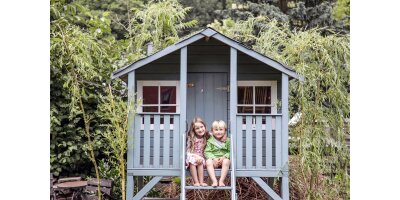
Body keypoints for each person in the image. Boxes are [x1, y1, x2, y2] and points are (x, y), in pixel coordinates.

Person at [205, 120, 231, 187]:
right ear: (212, 131)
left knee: (226, 161)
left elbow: (230, 151)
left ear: (225, 130)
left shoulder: (228, 141)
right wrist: (213, 158)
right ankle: (214, 181)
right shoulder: (210, 141)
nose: (218, 132)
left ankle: (221, 181)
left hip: (224, 161)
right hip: (214, 161)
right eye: (216, 130)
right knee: (208, 161)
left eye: (221, 129)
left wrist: (224, 157)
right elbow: (207, 152)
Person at [186, 117, 210, 186]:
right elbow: (188, 152)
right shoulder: (191, 138)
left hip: (202, 158)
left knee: (200, 160)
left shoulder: (208, 136)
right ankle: (196, 182)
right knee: (192, 160)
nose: (200, 129)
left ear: (204, 126)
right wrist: (195, 156)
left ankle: (201, 182)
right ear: (194, 130)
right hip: (192, 156)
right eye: (197, 128)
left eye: (201, 127)